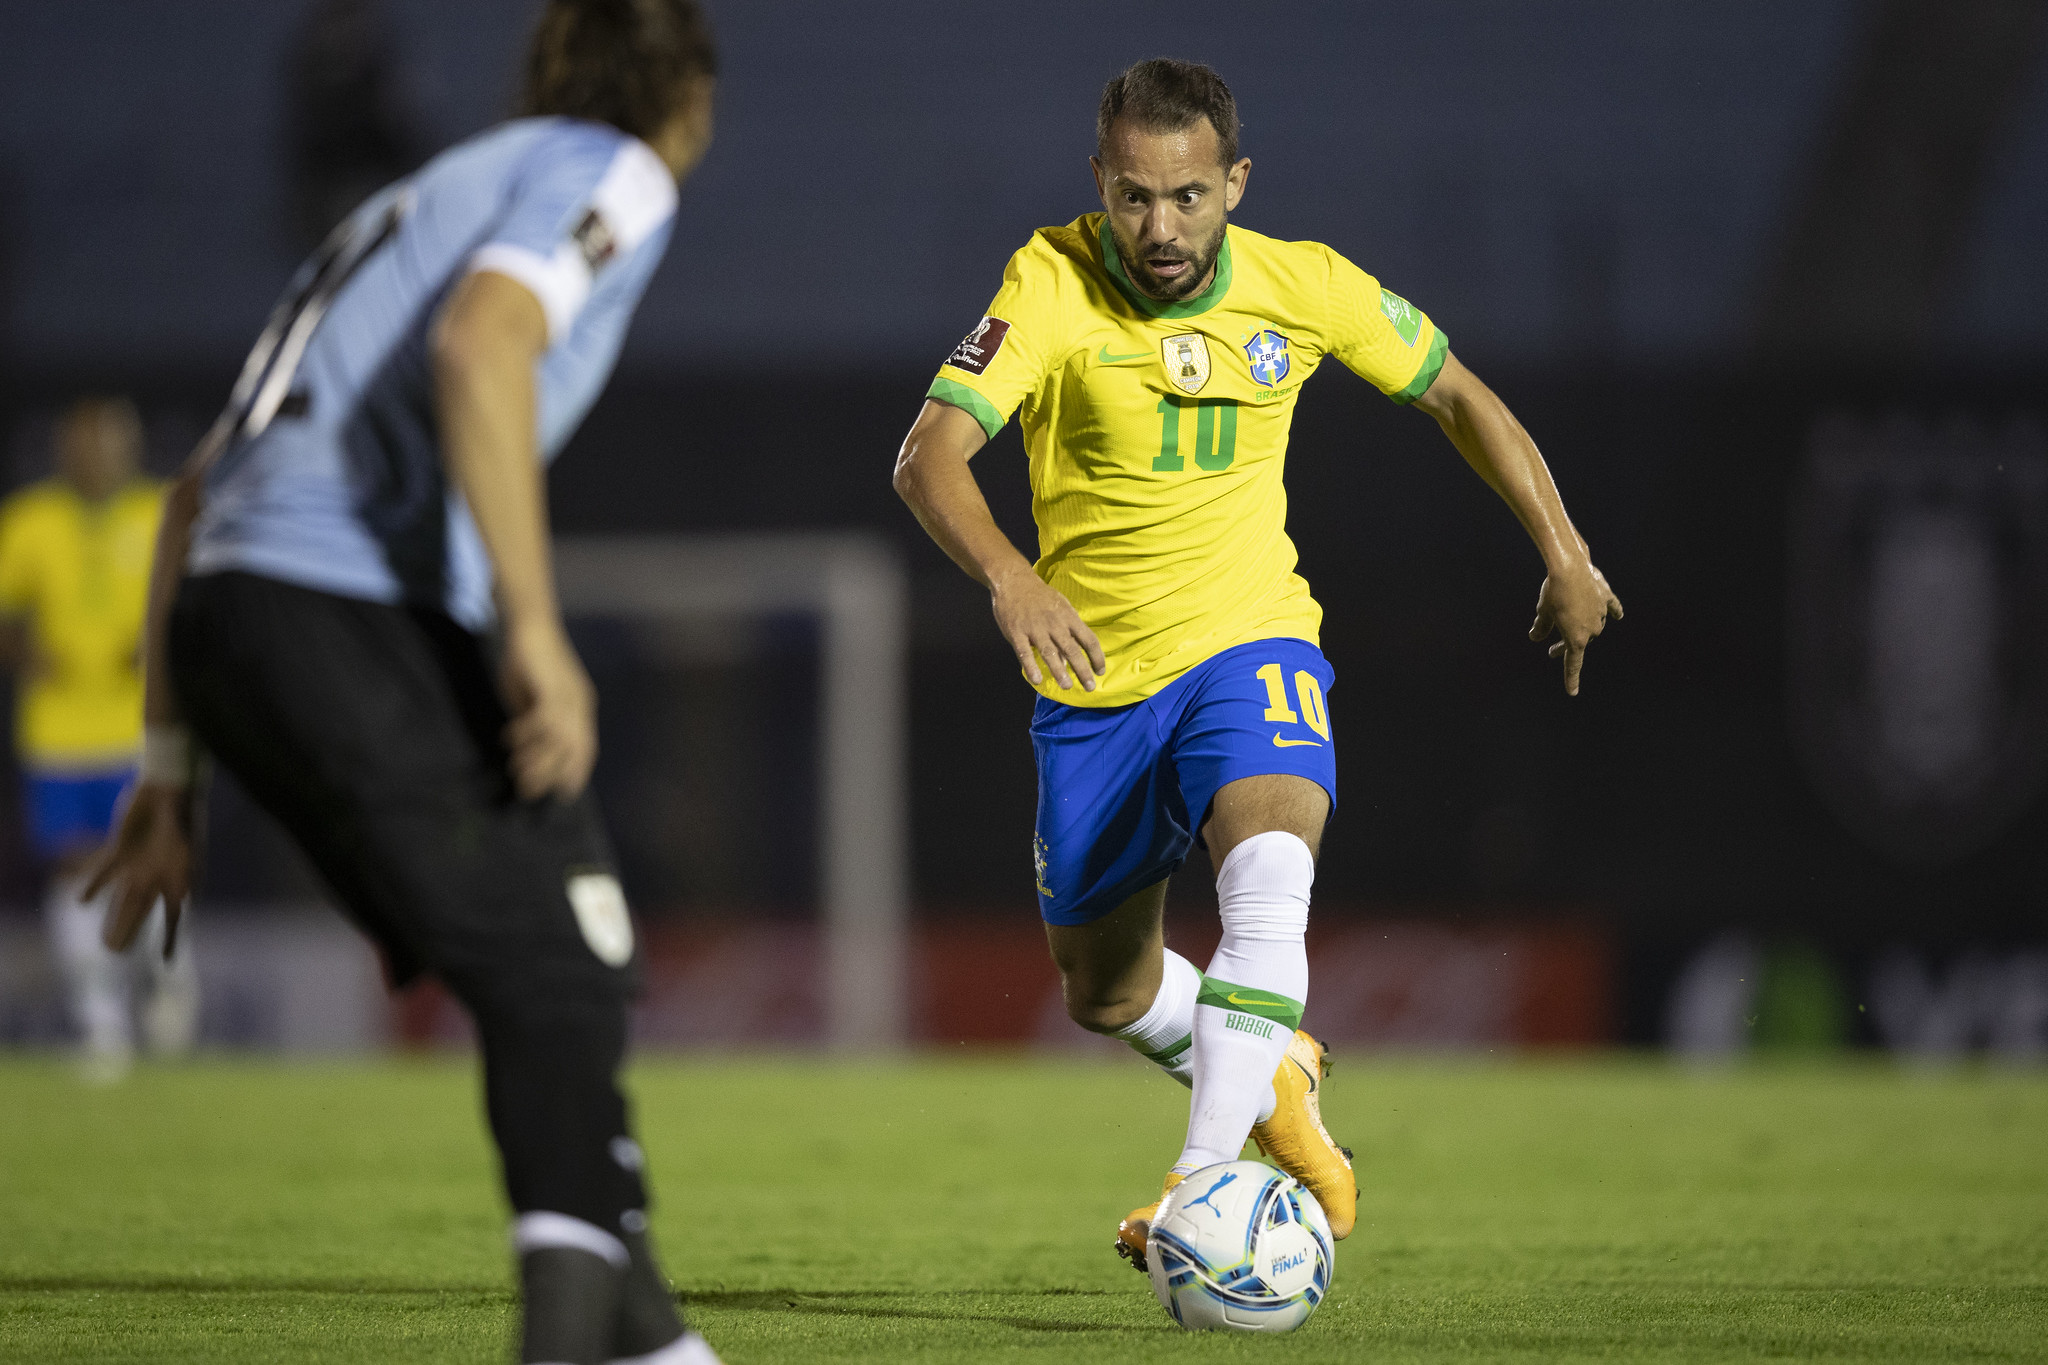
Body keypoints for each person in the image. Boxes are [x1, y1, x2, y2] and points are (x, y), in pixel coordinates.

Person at [892, 58, 1623, 1269]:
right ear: (1099, 183)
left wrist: (1563, 550)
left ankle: (1195, 1194)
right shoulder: (1048, 282)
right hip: (1091, 682)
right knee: (1106, 995)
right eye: (1132, 197)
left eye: (1186, 196)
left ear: (1234, 182)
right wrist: (1011, 578)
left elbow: (1458, 395)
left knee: (1267, 876)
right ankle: (1274, 1071)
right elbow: (928, 456)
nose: (1159, 228)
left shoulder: (1304, 284)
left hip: (1250, 638)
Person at [86, 3, 722, 1361]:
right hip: (346, 614)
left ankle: (657, 1346)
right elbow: (484, 346)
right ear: (691, 103)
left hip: (234, 626)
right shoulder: (613, 169)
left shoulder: (419, 200)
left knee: (566, 957)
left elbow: (193, 493)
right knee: (559, 976)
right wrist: (536, 630)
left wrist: (168, 772)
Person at [0, 397, 194, 1083]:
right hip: (56, 732)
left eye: (108, 443)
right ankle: (101, 1027)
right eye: (81, 444)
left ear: (130, 447)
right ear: (63, 449)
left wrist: (156, 647)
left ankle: (166, 975)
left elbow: (194, 606)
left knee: (141, 861)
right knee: (76, 872)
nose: (94, 455)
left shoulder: (160, 512)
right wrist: (25, 652)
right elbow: (7, 614)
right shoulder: (30, 521)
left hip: (142, 731)